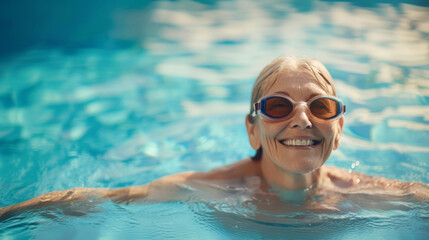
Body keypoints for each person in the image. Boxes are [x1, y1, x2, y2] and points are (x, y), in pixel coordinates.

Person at [1, 57, 428, 219]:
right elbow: (104, 197)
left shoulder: (373, 195)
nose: (302, 120)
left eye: (320, 107)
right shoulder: (212, 188)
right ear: (252, 129)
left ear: (338, 130)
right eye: (278, 107)